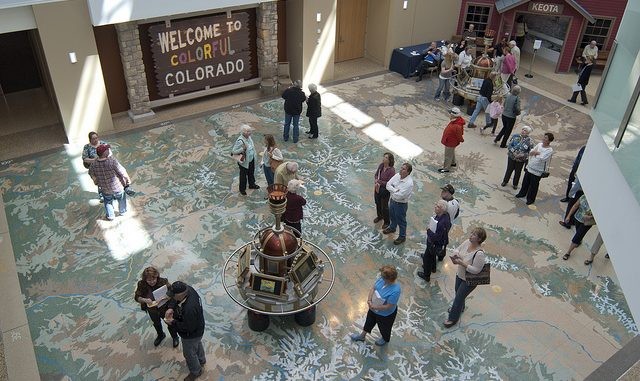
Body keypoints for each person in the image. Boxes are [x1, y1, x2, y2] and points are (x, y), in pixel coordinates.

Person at [444, 227, 487, 328]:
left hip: (469, 280)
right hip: (460, 274)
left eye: (474, 234)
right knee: (457, 292)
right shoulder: (467, 242)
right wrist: (456, 255)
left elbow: (476, 270)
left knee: (458, 298)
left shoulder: (479, 254)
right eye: (471, 232)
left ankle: (452, 319)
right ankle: (460, 308)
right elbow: (457, 249)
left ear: (479, 239)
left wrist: (462, 263)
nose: (471, 235)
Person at [164, 281, 206, 381]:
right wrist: (170, 307)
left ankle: (196, 371)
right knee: (197, 344)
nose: (172, 297)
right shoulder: (188, 289)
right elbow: (175, 299)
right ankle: (202, 360)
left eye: (173, 295)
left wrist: (172, 322)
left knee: (189, 354)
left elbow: (188, 328)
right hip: (199, 328)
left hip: (191, 334)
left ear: (180, 295)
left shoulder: (189, 309)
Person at [350, 265, 401, 346]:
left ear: (388, 279)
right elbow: (373, 288)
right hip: (373, 307)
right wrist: (369, 300)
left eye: (383, 277)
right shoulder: (382, 280)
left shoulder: (395, 290)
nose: (380, 277)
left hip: (386, 315)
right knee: (368, 322)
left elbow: (388, 306)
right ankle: (362, 336)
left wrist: (374, 307)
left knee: (385, 329)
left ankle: (385, 338)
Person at [134, 266, 179, 348]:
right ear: (145, 279)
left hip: (164, 307)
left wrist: (164, 297)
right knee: (156, 323)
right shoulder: (141, 284)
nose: (152, 282)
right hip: (152, 309)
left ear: (157, 276)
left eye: (153, 279)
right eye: (149, 280)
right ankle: (161, 335)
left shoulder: (163, 281)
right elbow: (137, 297)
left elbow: (172, 291)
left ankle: (175, 337)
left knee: (169, 323)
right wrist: (144, 300)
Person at [88, 144, 131, 221]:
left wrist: (95, 180)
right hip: (117, 187)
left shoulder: (94, 164)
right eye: (107, 150)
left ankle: (110, 216)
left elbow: (91, 172)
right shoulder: (112, 161)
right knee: (121, 199)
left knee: (107, 202)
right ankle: (122, 211)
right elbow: (122, 171)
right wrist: (128, 180)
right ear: (104, 153)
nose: (109, 150)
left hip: (105, 189)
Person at [516, 132, 554, 205]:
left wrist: (535, 153)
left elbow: (543, 158)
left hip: (538, 170)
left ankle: (530, 199)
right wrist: (536, 153)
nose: (543, 139)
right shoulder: (539, 145)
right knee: (525, 182)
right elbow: (531, 151)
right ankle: (522, 193)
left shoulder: (549, 150)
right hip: (530, 166)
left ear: (549, 141)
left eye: (546, 138)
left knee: (533, 185)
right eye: (544, 137)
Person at [418, 200, 452, 282]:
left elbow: (436, 237)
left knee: (427, 258)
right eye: (436, 204)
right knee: (432, 255)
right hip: (437, 244)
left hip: (434, 243)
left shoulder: (441, 223)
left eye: (438, 206)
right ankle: (433, 268)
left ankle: (426, 275)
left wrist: (428, 230)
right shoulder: (445, 215)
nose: (435, 207)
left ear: (442, 210)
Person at [383, 163, 415, 245]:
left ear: (408, 172)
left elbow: (401, 196)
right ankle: (392, 227)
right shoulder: (397, 175)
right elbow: (388, 185)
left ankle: (402, 236)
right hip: (392, 201)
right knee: (392, 216)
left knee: (401, 221)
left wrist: (392, 190)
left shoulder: (409, 183)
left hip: (400, 205)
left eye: (403, 169)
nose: (400, 170)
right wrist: (395, 190)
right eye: (401, 168)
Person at [561, 194, 595, 261]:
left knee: (577, 237)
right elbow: (575, 206)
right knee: (578, 232)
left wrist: (590, 217)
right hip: (577, 218)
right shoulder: (583, 197)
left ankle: (568, 252)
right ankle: (579, 240)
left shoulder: (596, 203)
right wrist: (568, 216)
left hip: (586, 223)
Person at [231, 124, 259, 196]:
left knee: (251, 173)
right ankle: (242, 189)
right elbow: (233, 151)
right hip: (244, 162)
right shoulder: (240, 141)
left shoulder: (249, 138)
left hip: (251, 160)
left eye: (250, 131)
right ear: (244, 132)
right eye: (248, 131)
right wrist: (243, 149)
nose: (250, 132)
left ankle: (252, 184)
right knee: (243, 176)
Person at [438, 107, 465, 173]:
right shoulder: (456, 121)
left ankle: (446, 168)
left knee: (447, 155)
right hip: (451, 141)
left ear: (453, 115)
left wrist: (461, 140)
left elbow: (459, 136)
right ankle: (453, 163)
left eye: (450, 113)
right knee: (451, 153)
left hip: (450, 142)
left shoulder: (457, 125)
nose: (449, 114)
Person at [82, 131, 107, 201]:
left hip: (105, 165)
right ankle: (102, 194)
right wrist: (95, 160)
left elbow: (109, 153)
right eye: (93, 139)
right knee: (99, 182)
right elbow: (85, 159)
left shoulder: (103, 143)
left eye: (96, 138)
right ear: (90, 140)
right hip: (95, 168)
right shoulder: (87, 147)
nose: (95, 140)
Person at [374, 152, 396, 229]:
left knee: (384, 207)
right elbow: (376, 174)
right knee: (377, 203)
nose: (384, 158)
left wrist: (379, 182)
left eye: (386, 157)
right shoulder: (381, 165)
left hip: (385, 190)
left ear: (390, 160)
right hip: (377, 188)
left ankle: (387, 222)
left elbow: (389, 183)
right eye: (384, 156)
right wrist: (376, 179)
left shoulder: (392, 171)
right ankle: (379, 216)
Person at [440, 184, 460, 261]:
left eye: (444, 191)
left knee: (437, 240)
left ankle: (436, 255)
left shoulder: (445, 204)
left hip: (441, 225)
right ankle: (441, 255)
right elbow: (457, 214)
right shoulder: (456, 202)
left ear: (449, 193)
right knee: (444, 239)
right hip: (449, 224)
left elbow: (439, 215)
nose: (442, 192)